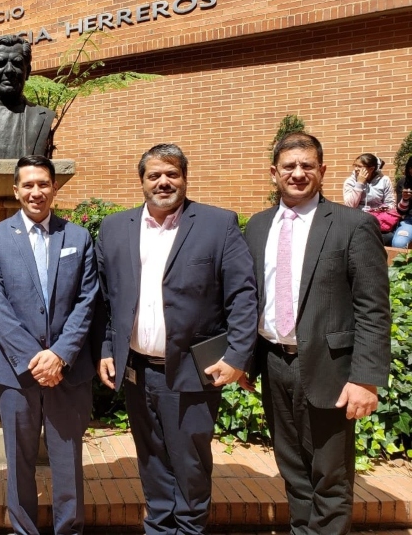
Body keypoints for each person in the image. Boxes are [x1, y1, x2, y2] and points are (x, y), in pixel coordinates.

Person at [95, 143, 258, 535]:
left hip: (192, 371)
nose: (163, 181)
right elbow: (104, 297)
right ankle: (160, 529)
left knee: (190, 463)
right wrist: (105, 349)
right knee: (151, 459)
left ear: (185, 177)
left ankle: (189, 529)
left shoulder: (218, 225)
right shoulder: (116, 228)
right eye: (155, 175)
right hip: (136, 370)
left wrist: (237, 356)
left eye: (172, 173)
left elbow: (242, 295)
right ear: (142, 182)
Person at [242, 132, 391, 535]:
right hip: (274, 364)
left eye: (307, 165)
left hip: (333, 370)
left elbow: (373, 308)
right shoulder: (256, 227)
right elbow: (245, 301)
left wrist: (366, 378)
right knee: (292, 469)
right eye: (289, 166)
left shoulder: (353, 225)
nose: (298, 173)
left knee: (330, 475)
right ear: (274, 173)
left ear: (323, 171)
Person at [0, 155, 98, 535]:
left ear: (54, 188)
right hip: (15, 372)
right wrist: (35, 360)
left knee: (67, 460)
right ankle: (24, 530)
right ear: (16, 190)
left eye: (43, 184)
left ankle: (69, 529)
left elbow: (88, 299)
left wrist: (60, 354)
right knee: (19, 460)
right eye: (27, 185)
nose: (36, 192)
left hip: (68, 369)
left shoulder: (77, 237)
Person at [391, 156, 412, 248]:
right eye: (411, 168)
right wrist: (405, 199)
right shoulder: (403, 182)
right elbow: (401, 211)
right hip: (409, 220)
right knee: (399, 243)